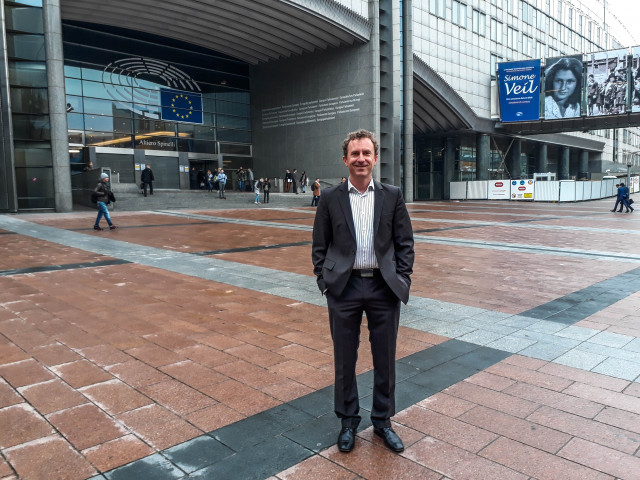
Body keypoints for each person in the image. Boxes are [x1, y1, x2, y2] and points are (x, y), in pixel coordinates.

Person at [312, 129, 414, 454]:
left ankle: (382, 421)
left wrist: (402, 280)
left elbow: (405, 243)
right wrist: (325, 281)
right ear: (345, 160)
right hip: (344, 287)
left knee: (385, 357)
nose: (360, 159)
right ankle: (348, 422)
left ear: (375, 158)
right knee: (345, 358)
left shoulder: (392, 195)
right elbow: (319, 245)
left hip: (384, 287)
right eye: (354, 154)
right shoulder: (330, 198)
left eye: (366, 153)